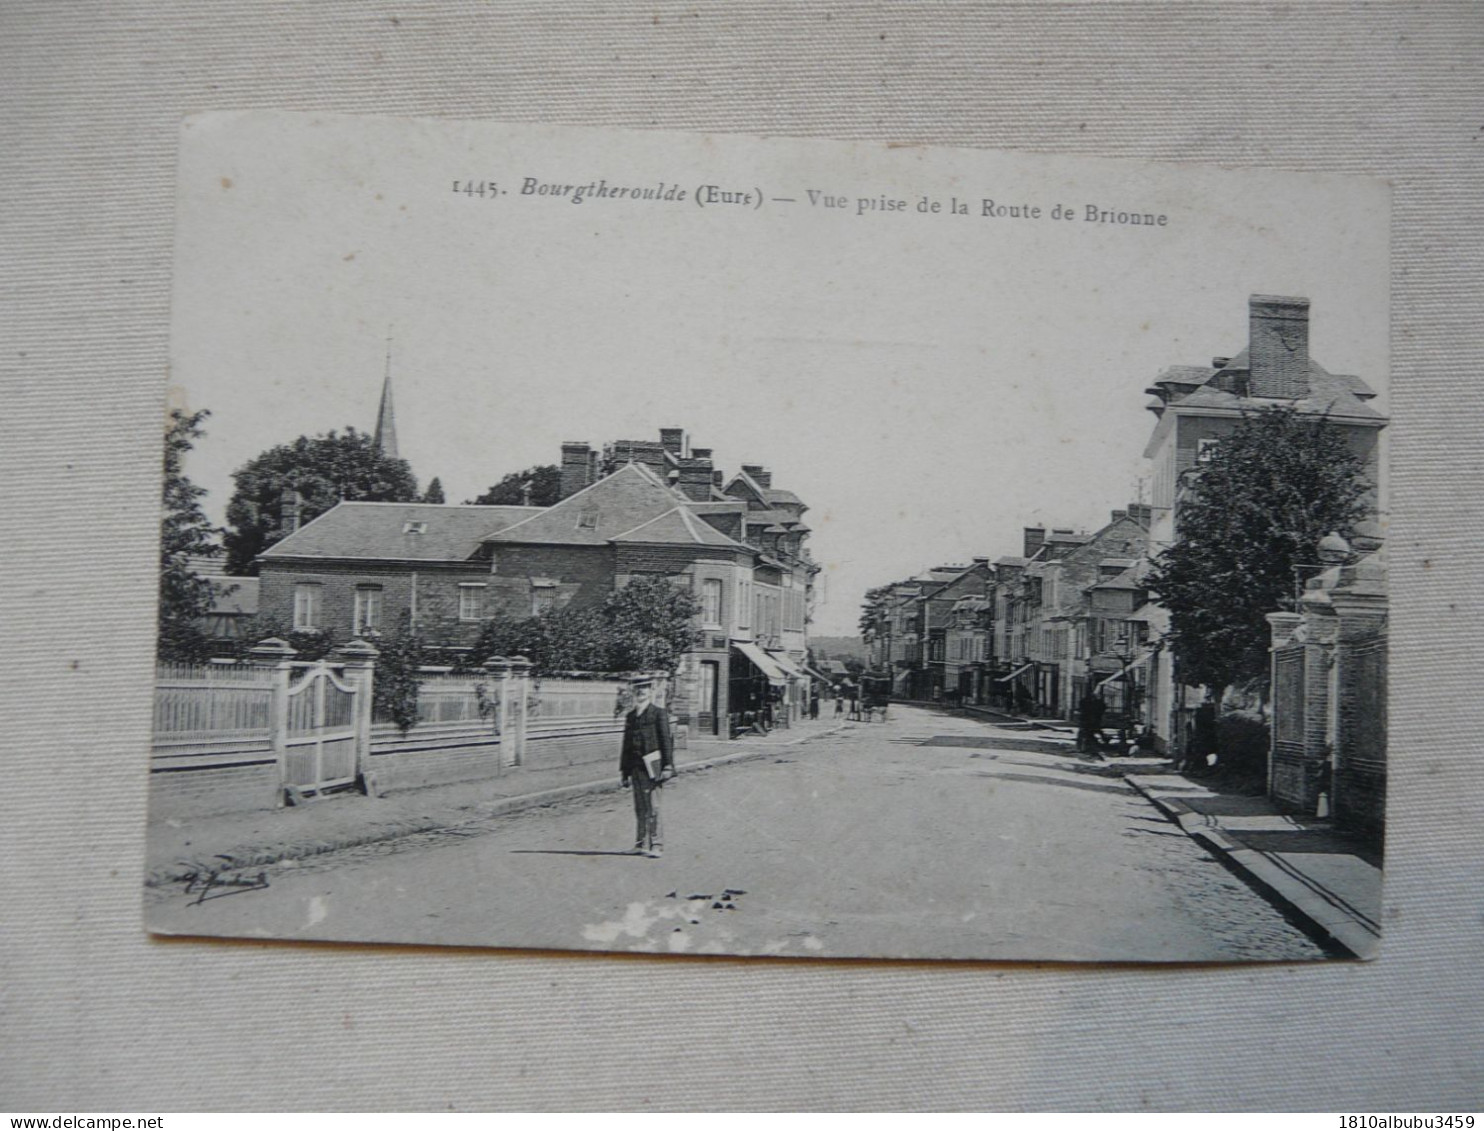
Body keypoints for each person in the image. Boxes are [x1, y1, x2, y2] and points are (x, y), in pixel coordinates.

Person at [620, 679, 674, 857]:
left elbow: (666, 740)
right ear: (633, 692)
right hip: (635, 767)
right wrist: (624, 772)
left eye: (644, 688)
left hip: (653, 767)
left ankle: (657, 844)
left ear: (650, 691)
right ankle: (640, 844)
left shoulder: (658, 713)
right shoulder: (631, 716)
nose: (641, 691)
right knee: (640, 808)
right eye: (638, 688)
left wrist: (668, 765)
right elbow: (626, 745)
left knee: (654, 807)